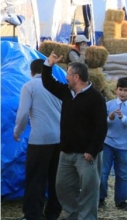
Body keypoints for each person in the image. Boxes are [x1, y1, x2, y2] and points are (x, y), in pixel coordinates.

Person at [42, 52, 108, 220]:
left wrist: (92, 150)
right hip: (66, 152)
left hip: (86, 155)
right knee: (62, 187)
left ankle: (86, 218)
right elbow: (48, 83)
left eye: (68, 75)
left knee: (88, 191)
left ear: (76, 77)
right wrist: (48, 65)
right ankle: (73, 215)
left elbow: (101, 127)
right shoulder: (66, 92)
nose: (66, 78)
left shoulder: (96, 98)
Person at [14, 59, 62, 220]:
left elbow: (22, 113)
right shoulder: (57, 85)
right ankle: (53, 213)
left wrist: (17, 132)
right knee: (55, 178)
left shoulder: (29, 86)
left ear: (31, 71)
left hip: (40, 140)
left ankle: (33, 214)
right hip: (59, 138)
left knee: (35, 179)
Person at [99, 77, 127, 211]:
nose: (122, 93)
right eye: (120, 90)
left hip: (123, 146)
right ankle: (100, 198)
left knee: (122, 174)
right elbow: (102, 123)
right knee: (103, 172)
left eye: (125, 90)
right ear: (116, 90)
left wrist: (123, 117)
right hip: (108, 142)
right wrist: (109, 119)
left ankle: (121, 200)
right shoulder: (109, 104)